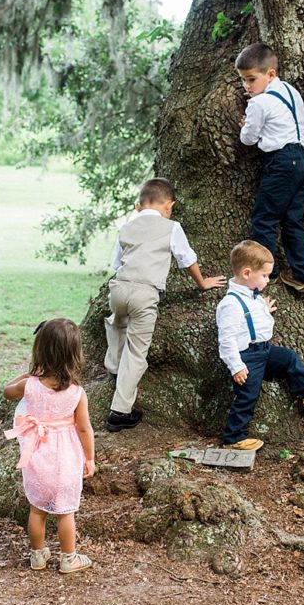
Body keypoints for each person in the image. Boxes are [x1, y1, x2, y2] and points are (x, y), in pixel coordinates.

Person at [104, 177, 226, 432]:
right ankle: (120, 411)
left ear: (138, 206)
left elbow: (117, 264)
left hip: (119, 288)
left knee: (116, 323)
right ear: (169, 206)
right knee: (137, 353)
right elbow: (186, 258)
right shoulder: (171, 227)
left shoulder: (126, 227)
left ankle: (114, 366)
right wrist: (202, 283)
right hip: (145, 294)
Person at [217, 240, 304, 450]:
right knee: (248, 395)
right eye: (264, 275)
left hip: (265, 350)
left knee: (289, 358)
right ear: (247, 273)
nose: (267, 280)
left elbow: (253, 317)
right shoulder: (230, 304)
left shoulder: (253, 297)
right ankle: (234, 437)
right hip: (247, 358)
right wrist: (236, 366)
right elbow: (226, 339)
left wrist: (263, 310)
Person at [4, 318, 95, 574]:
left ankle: (37, 556)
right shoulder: (77, 393)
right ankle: (69, 558)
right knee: (66, 513)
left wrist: (27, 374)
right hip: (67, 458)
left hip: (38, 456)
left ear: (40, 350)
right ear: (74, 355)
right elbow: (85, 428)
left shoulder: (28, 385)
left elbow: (7, 392)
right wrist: (90, 459)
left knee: (37, 510)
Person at [236, 42, 304, 292]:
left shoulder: (258, 103)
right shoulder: (291, 92)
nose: (247, 86)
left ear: (270, 74)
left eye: (251, 79)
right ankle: (303, 275)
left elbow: (247, 139)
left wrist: (245, 126)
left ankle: (267, 272)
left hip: (281, 162)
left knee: (264, 219)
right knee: (293, 220)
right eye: (243, 81)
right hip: (302, 161)